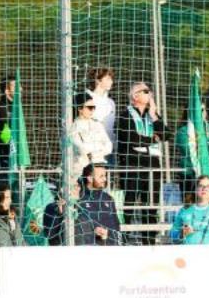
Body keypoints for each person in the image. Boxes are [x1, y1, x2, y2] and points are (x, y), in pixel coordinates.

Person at [116, 81, 168, 242]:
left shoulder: (152, 115)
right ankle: (125, 238)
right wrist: (153, 138)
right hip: (132, 163)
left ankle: (149, 239)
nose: (149, 93)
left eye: (149, 91)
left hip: (152, 164)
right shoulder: (125, 115)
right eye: (145, 91)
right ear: (135, 96)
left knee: (151, 203)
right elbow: (131, 139)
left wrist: (154, 115)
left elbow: (166, 135)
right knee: (130, 201)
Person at [170, 176, 209, 245]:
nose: (204, 189)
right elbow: (172, 235)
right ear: (195, 189)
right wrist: (181, 233)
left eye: (208, 186)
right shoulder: (184, 211)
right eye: (201, 186)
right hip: (188, 254)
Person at [70, 90, 113, 175]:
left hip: (100, 166)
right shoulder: (73, 126)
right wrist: (99, 147)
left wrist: (92, 152)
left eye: (94, 107)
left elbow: (109, 146)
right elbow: (81, 149)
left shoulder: (98, 124)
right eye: (90, 107)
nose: (92, 110)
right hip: (82, 169)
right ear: (79, 108)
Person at [85, 67, 117, 156]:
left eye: (111, 79)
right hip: (92, 151)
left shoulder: (111, 103)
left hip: (109, 150)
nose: (111, 82)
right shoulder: (87, 99)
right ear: (98, 80)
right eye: (108, 79)